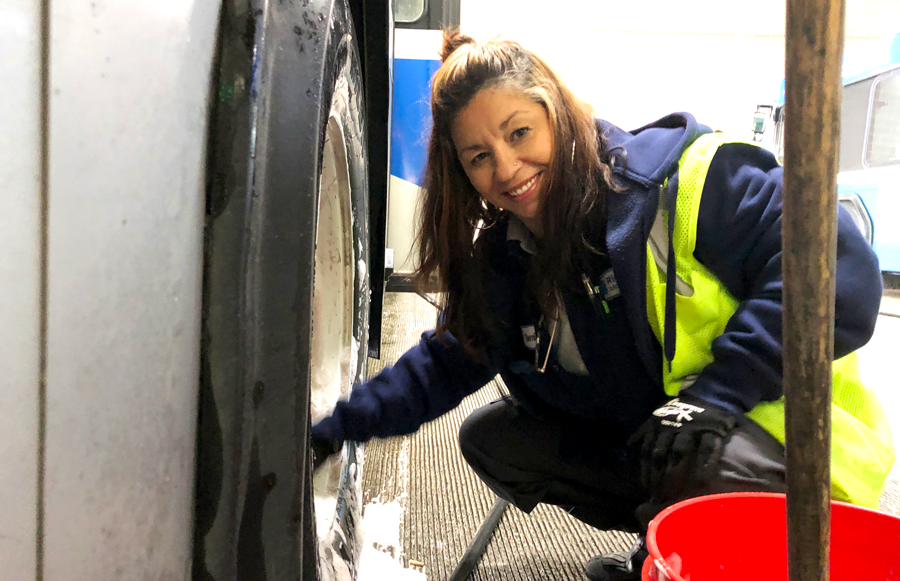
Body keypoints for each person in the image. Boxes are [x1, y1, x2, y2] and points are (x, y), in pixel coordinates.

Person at [312, 30, 895, 580]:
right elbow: (441, 365)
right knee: (495, 439)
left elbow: (839, 271)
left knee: (693, 456)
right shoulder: (507, 258)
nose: (506, 168)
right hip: (666, 436)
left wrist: (719, 392)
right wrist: (335, 428)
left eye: (519, 133)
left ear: (556, 113)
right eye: (479, 156)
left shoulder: (687, 182)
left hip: (794, 451)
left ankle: (702, 553)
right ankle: (664, 540)